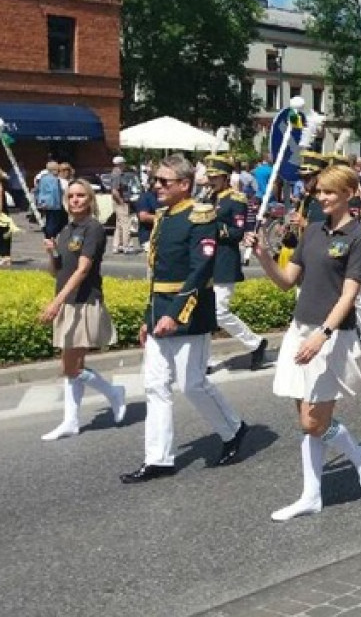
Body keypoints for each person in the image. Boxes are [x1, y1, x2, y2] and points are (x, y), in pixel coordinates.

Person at [246, 164, 361, 521]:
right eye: (319, 191)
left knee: (313, 423)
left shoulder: (359, 237)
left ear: (349, 194)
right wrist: (263, 256)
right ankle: (311, 495)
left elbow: (349, 295)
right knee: (307, 421)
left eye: (329, 192)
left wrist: (323, 334)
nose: (321, 197)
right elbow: (287, 281)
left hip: (331, 335)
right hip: (300, 330)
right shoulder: (313, 232)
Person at [119, 154, 248, 484]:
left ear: (184, 184)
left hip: (189, 312)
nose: (157, 186)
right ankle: (159, 458)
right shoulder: (163, 217)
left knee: (192, 384)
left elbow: (200, 269)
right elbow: (156, 276)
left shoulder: (199, 216)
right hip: (161, 309)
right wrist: (150, 317)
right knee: (155, 386)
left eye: (164, 181)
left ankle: (233, 429)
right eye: (156, 180)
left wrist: (176, 314)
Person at [38, 178, 126, 440]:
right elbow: (58, 272)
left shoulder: (93, 228)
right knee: (73, 365)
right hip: (67, 300)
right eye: (72, 196)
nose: (75, 200)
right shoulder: (66, 230)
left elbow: (83, 269)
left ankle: (113, 393)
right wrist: (51, 253)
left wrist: (56, 302)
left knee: (70, 367)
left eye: (81, 196)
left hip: (83, 301)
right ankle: (71, 421)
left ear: (89, 200)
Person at [204, 154, 269, 370]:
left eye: (215, 177)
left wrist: (213, 227)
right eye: (209, 176)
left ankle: (256, 343)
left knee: (219, 312)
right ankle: (203, 360)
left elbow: (237, 232)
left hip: (224, 260)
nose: (210, 180)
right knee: (204, 313)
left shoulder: (236, 200)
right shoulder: (207, 198)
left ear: (225, 177)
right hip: (206, 261)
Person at [35, 160, 67, 242]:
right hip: (53, 203)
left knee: (49, 218)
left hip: (44, 202)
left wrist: (39, 200)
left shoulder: (43, 178)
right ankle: (50, 236)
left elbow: (37, 190)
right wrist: (59, 203)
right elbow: (55, 192)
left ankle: (49, 234)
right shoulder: (54, 180)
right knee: (53, 220)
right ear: (55, 170)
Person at [110, 156, 134, 254]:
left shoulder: (116, 173)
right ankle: (126, 245)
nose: (124, 165)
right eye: (123, 163)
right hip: (120, 201)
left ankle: (117, 245)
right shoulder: (117, 174)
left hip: (118, 201)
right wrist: (121, 202)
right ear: (121, 164)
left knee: (119, 224)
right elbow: (114, 191)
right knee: (126, 224)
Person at [136, 175, 159, 254]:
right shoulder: (145, 197)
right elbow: (143, 217)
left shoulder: (163, 197)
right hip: (148, 237)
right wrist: (164, 218)